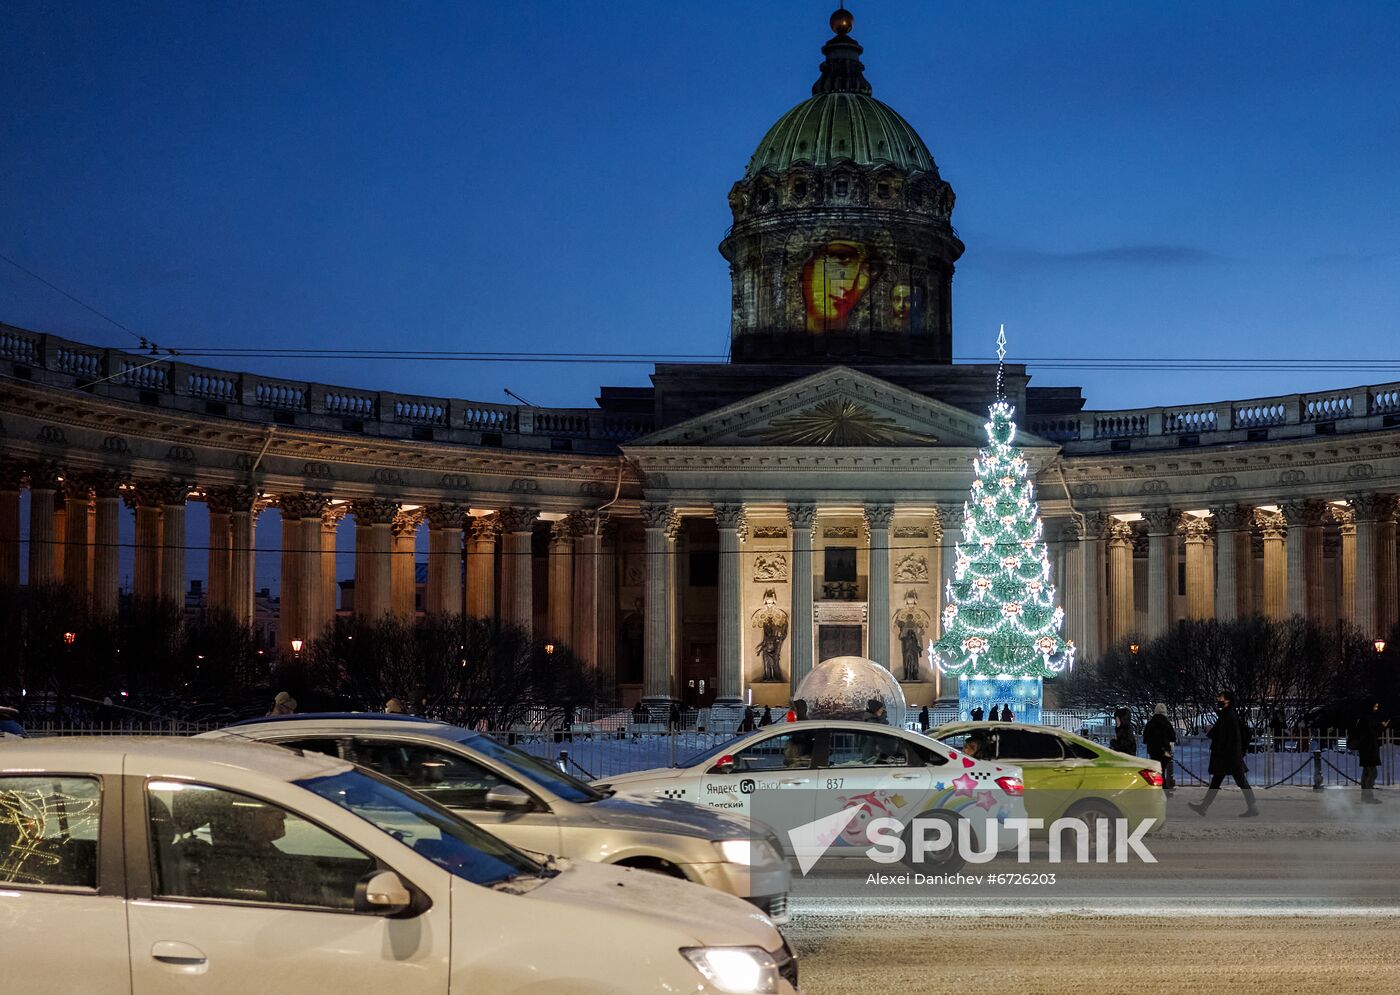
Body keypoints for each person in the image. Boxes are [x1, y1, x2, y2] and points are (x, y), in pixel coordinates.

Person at [1190, 690, 1259, 818]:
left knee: (1240, 782)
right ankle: (1204, 806)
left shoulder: (1228, 715)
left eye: (1220, 697)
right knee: (1218, 781)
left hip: (1230, 756)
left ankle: (1253, 808)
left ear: (1227, 700)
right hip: (1229, 756)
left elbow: (1227, 737)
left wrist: (1222, 749)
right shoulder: (1227, 715)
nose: (1218, 699)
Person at [1354, 701, 1389, 804]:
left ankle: (1366, 796)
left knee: (1367, 772)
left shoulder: (1365, 717)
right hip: (1368, 749)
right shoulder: (1367, 718)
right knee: (1372, 773)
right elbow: (1370, 731)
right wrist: (1382, 726)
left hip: (1367, 748)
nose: (1376, 708)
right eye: (1375, 706)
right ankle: (1367, 796)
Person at [1143, 703, 1178, 795]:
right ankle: (1163, 790)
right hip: (1165, 751)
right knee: (1162, 770)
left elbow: (1145, 737)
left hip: (1153, 750)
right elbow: (1173, 737)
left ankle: (1159, 790)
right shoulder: (1167, 723)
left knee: (1156, 770)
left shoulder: (1150, 723)